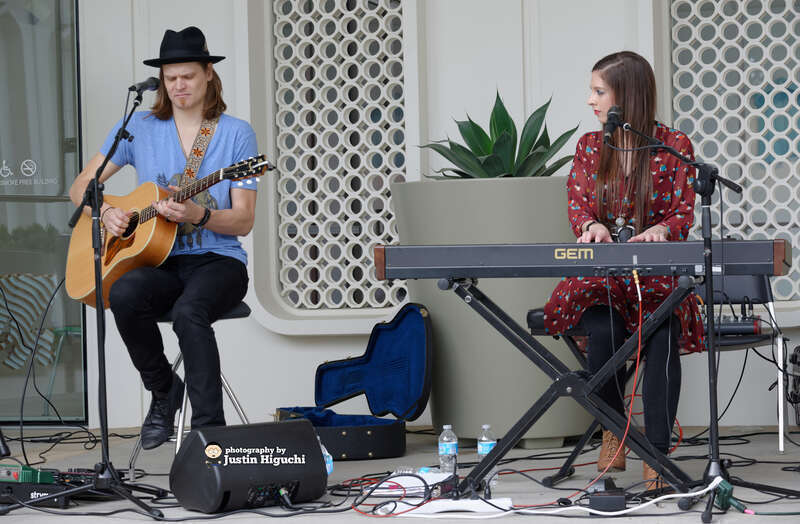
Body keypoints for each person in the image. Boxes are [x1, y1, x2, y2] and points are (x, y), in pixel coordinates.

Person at [69, 26, 258, 449]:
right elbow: (81, 185)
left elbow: (244, 221)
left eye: (187, 76)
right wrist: (108, 212)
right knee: (124, 293)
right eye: (170, 78)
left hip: (219, 262)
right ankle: (164, 392)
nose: (178, 86)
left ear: (209, 73)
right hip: (160, 261)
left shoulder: (235, 134)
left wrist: (200, 214)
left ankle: (209, 434)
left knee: (191, 312)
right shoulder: (139, 126)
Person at [542, 51, 703, 487]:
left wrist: (662, 232)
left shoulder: (675, 146)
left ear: (626, 96)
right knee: (606, 329)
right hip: (602, 282)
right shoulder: (589, 147)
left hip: (656, 283)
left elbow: (682, 213)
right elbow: (578, 205)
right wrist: (590, 224)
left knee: (663, 331)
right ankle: (615, 431)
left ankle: (656, 450)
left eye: (599, 91)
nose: (590, 100)